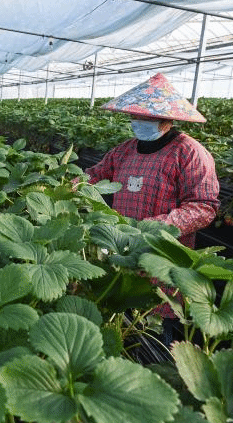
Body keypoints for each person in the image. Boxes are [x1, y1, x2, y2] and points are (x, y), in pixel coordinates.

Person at [84, 72, 219, 346]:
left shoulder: (189, 153)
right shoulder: (125, 150)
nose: (139, 123)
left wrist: (157, 227)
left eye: (147, 117)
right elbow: (96, 175)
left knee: (155, 322)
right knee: (120, 309)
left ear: (167, 120)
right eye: (136, 117)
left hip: (162, 254)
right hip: (122, 246)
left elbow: (204, 206)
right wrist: (68, 184)